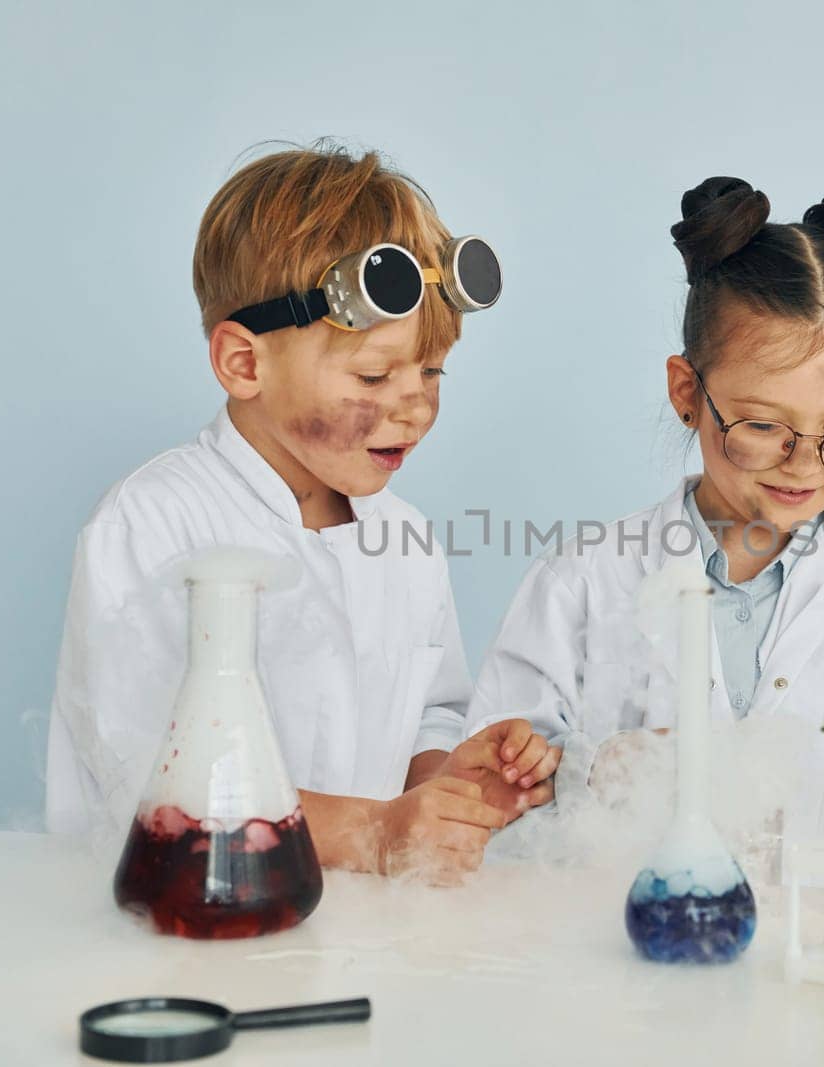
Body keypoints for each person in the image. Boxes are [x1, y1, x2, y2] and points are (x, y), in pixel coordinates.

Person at [467, 176, 824, 850]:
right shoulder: (582, 583)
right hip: (622, 942)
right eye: (764, 426)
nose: (804, 463)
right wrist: (599, 775)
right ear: (687, 392)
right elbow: (482, 796)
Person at [45, 144, 558, 884]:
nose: (416, 404)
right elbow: (157, 787)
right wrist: (373, 833)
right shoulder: (153, 526)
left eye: (432, 370)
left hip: (355, 941)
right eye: (374, 373)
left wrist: (452, 781)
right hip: (180, 928)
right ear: (245, 364)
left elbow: (428, 716)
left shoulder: (404, 539)